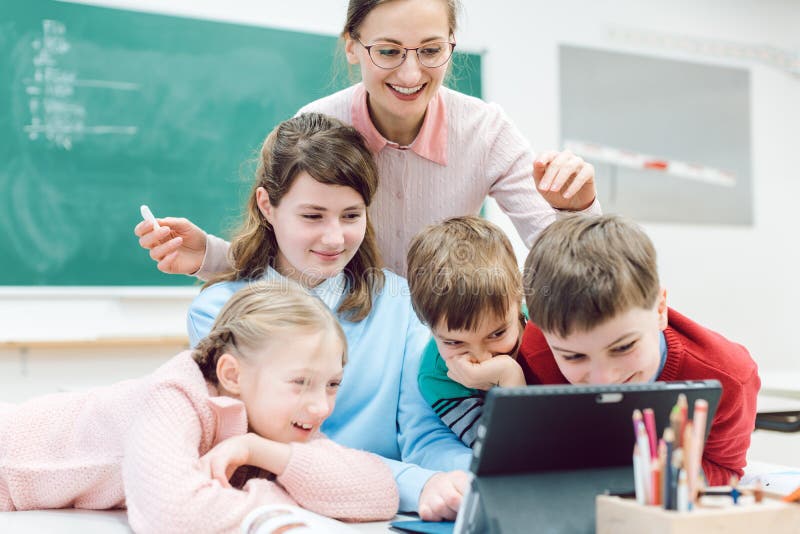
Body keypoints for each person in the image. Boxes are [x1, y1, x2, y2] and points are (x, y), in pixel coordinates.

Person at [134, 0, 601, 278]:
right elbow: (286, 246)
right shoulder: (316, 126)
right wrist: (211, 256)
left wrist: (577, 210)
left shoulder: (485, 130)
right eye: (389, 51)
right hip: (343, 343)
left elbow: (571, 259)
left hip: (447, 343)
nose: (411, 72)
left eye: (432, 50)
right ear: (353, 46)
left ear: (451, 44)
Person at [187, 112, 471, 521]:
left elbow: (423, 435)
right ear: (268, 206)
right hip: (283, 515)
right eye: (313, 216)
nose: (335, 238)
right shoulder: (220, 312)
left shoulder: (399, 302)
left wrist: (477, 474)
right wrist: (417, 484)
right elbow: (275, 453)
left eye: (351, 215)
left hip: (386, 519)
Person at [0, 282, 399, 531]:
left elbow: (379, 492)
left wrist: (260, 452)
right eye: (299, 383)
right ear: (232, 374)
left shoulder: (275, 423)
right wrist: (282, 497)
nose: (320, 406)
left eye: (332, 385)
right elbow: (173, 517)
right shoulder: (174, 395)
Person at [517, 214, 760, 486]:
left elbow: (723, 469)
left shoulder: (728, 379)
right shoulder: (534, 353)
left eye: (623, 347)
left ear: (659, 309)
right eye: (573, 356)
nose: (604, 379)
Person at [408, 216, 526, 447]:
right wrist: (510, 377)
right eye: (455, 343)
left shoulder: (547, 327)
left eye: (496, 334)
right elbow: (507, 452)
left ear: (519, 298)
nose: (481, 358)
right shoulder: (437, 376)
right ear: (429, 327)